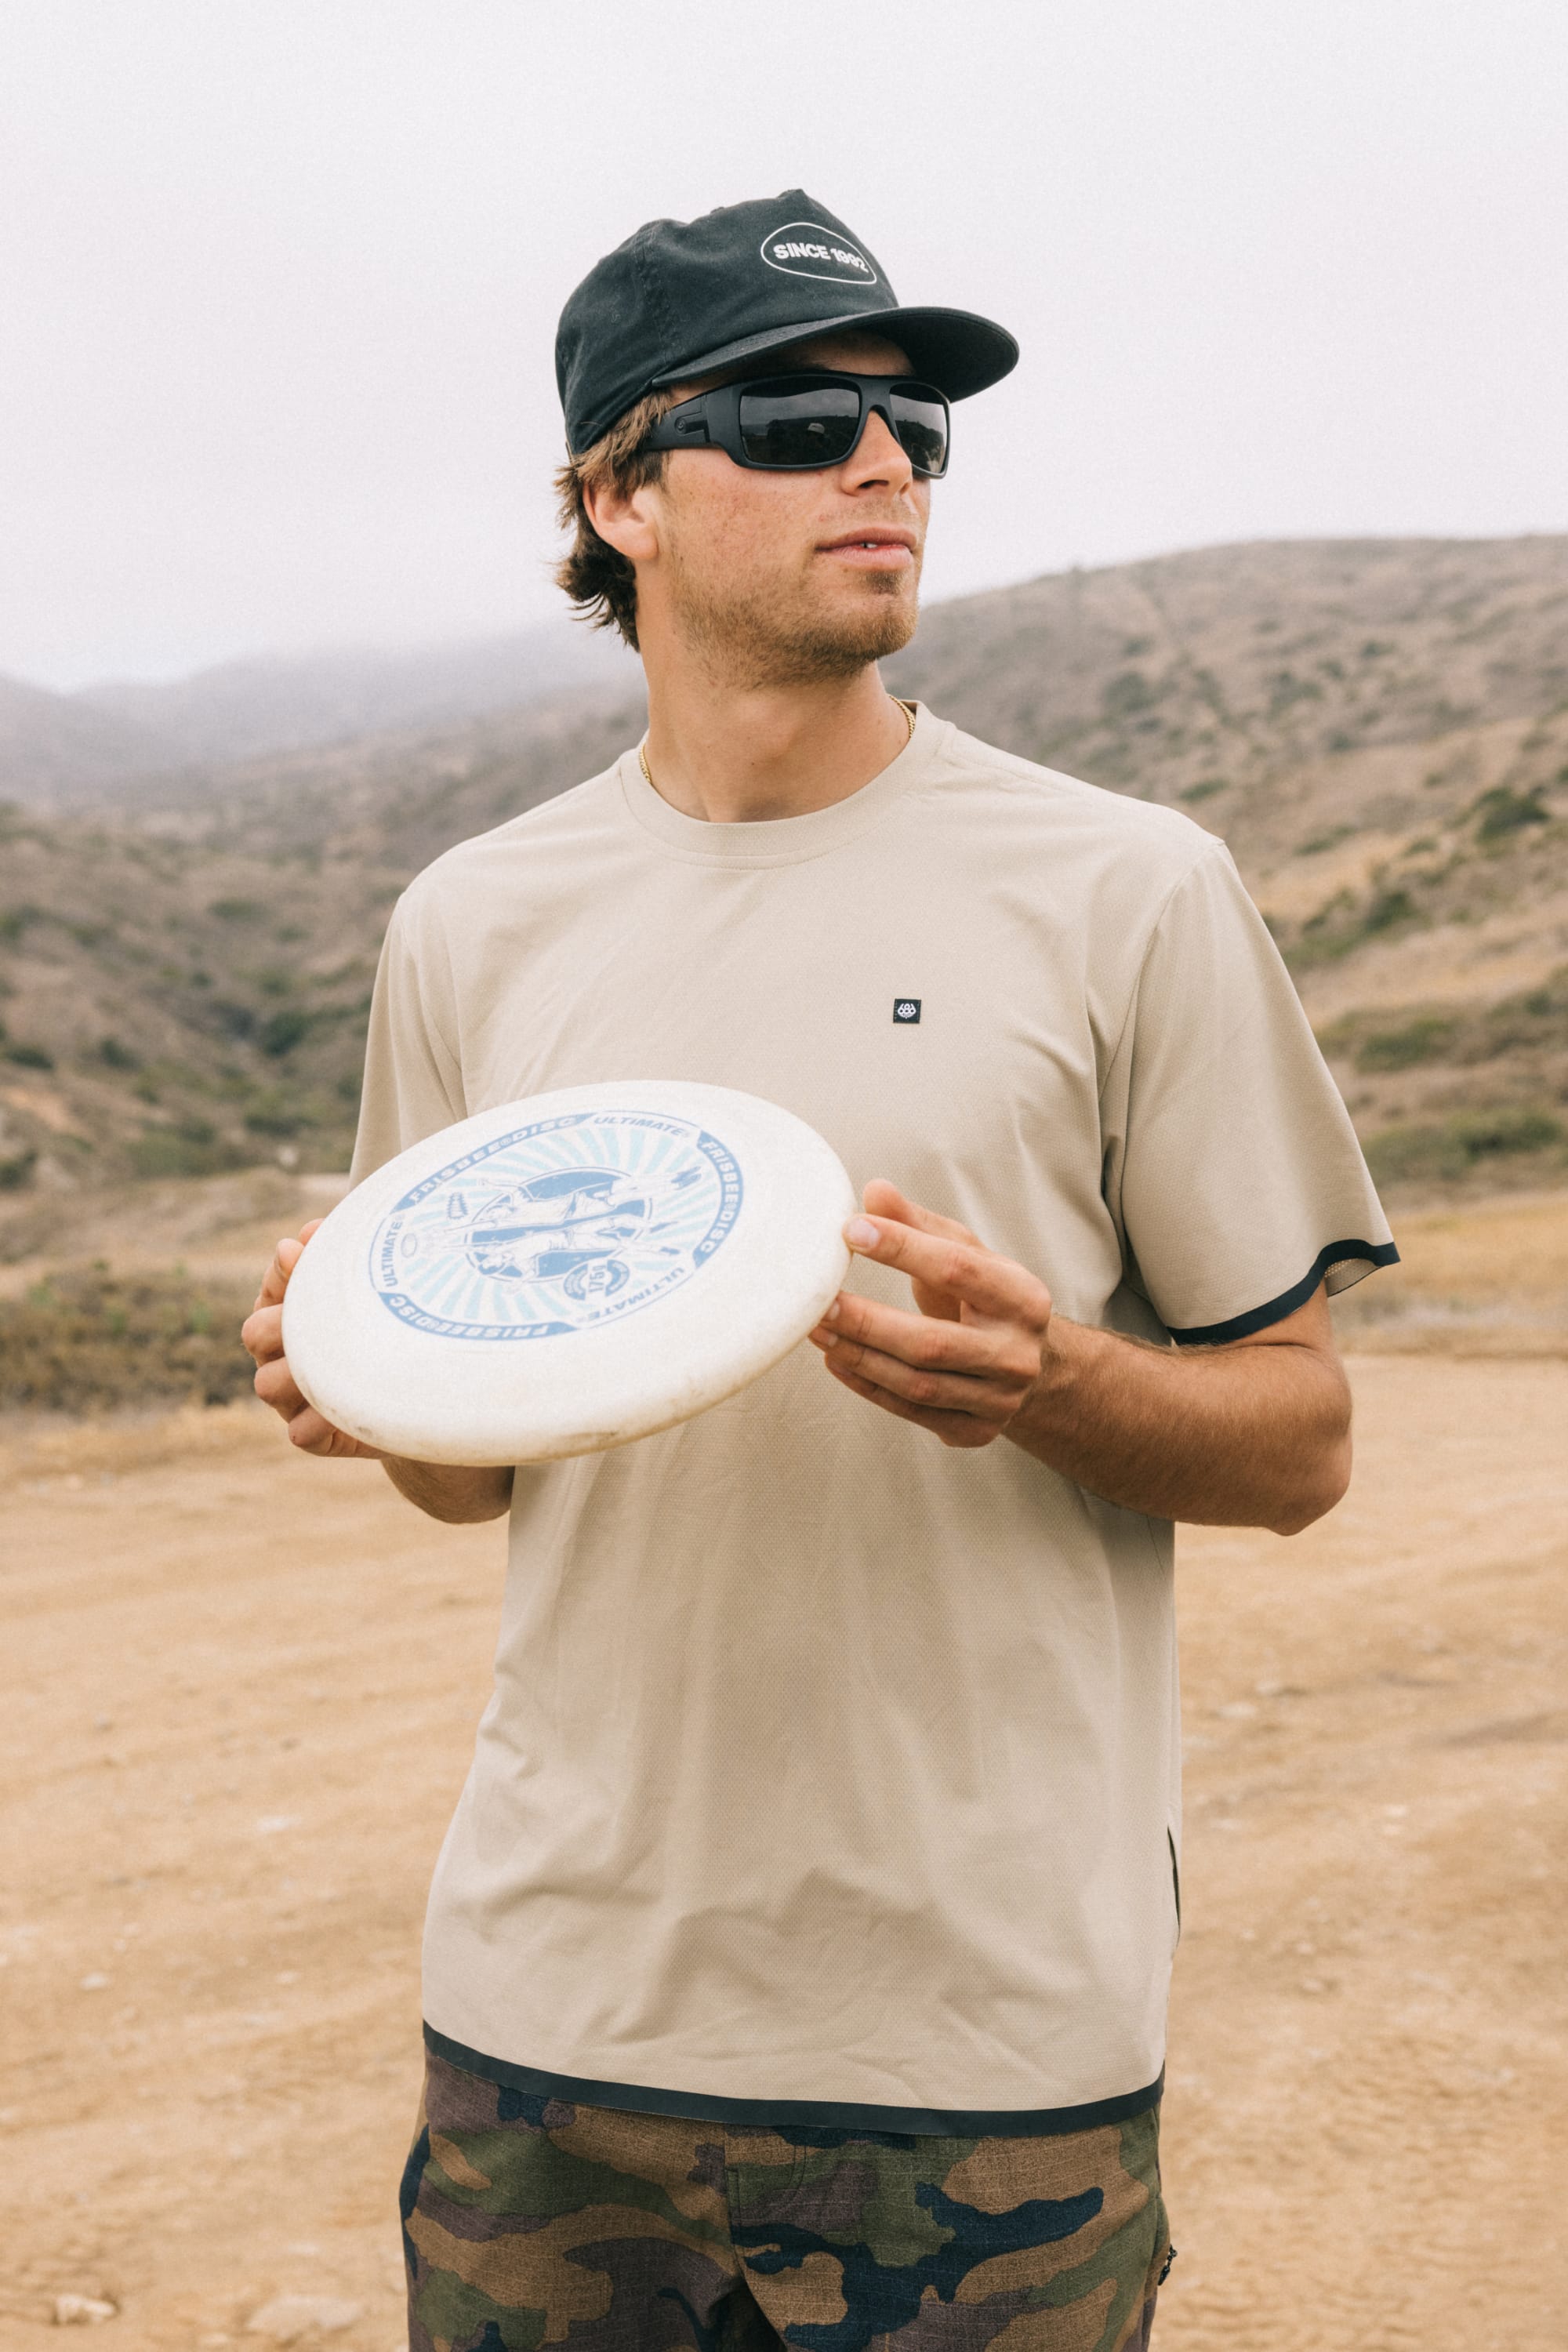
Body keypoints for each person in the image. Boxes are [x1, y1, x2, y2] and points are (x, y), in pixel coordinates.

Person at [243, 191, 1396, 2352]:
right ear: (620, 499)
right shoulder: (475, 925)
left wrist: (1057, 1378)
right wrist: (363, 1390)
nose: (882, 466)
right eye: (794, 419)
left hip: (983, 2060)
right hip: (551, 2029)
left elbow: (1303, 1442)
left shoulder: (1130, 889)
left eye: (914, 430)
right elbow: (472, 1479)